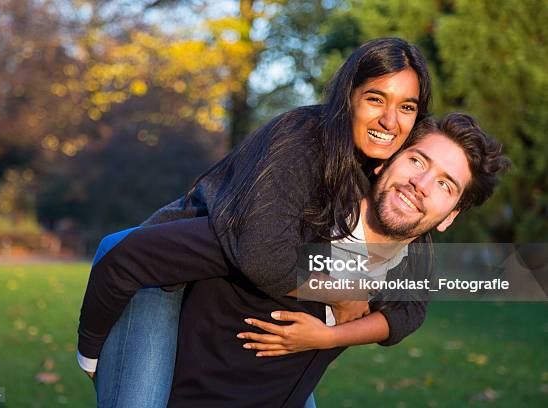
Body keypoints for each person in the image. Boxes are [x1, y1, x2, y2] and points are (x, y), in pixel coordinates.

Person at [77, 37, 432, 407]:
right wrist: (340, 292)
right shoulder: (302, 140)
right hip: (164, 278)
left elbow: (410, 309)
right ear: (348, 97)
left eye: (406, 106)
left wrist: (328, 337)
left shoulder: (398, 184)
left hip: (248, 335)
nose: (390, 120)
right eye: (376, 98)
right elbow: (263, 256)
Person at [80, 113, 509, 407]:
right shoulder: (288, 222)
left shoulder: (409, 265)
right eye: (417, 160)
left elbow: (407, 316)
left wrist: (331, 335)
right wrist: (91, 353)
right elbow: (128, 252)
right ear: (385, 163)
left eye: (445, 185)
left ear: (449, 217)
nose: (420, 184)